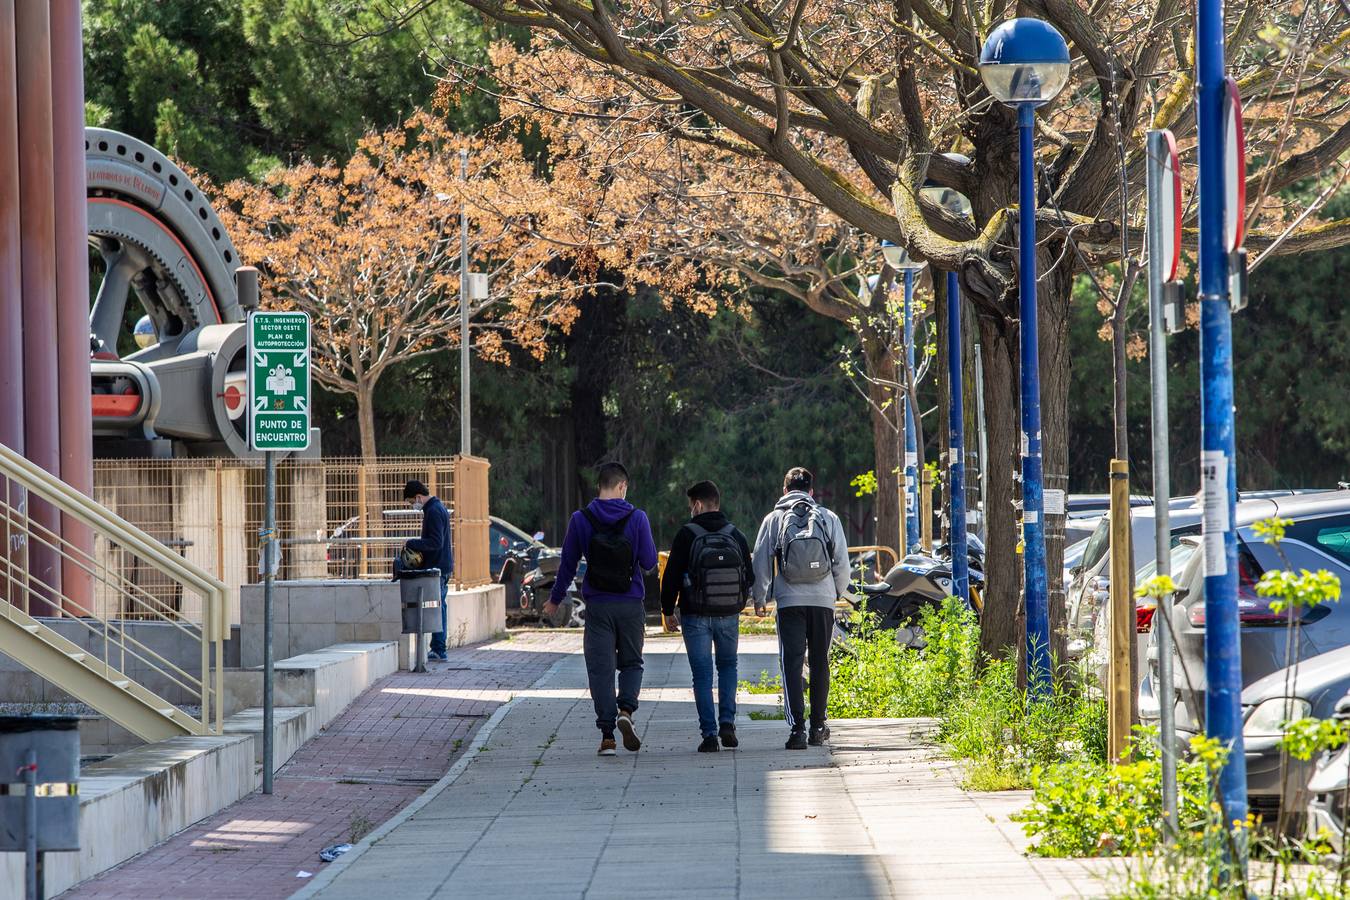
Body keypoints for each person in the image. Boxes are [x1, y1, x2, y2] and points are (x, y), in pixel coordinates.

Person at [544, 462, 657, 756]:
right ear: (622, 487)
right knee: (632, 663)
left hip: (598, 606)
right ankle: (626, 711)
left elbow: (567, 565)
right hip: (631, 604)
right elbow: (648, 563)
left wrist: (555, 600)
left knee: (601, 669)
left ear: (599, 486)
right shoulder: (638, 518)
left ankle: (607, 736)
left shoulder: (581, 519)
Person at [751, 467, 849, 750]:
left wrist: (761, 598)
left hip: (789, 602)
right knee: (820, 662)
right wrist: (835, 592)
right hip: (822, 602)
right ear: (811, 491)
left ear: (784, 491)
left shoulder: (774, 519)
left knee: (792, 664)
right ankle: (818, 726)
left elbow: (761, 561)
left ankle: (797, 730)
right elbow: (841, 562)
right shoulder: (828, 517)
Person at [660, 480, 755, 753]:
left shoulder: (686, 535)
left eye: (691, 505)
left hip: (695, 615)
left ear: (698, 504)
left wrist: (668, 611)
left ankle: (710, 735)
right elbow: (749, 577)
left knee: (701, 675)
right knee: (728, 667)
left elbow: (671, 577)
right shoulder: (735, 534)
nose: (690, 510)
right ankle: (728, 723)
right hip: (728, 615)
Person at [403, 480, 454, 661]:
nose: (412, 506)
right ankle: (438, 647)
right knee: (441, 607)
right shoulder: (436, 508)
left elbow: (435, 542)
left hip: (438, 567)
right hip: (442, 565)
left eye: (411, 502)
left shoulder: (433, 511)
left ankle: (439, 649)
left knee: (438, 608)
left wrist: (411, 543)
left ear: (418, 496)